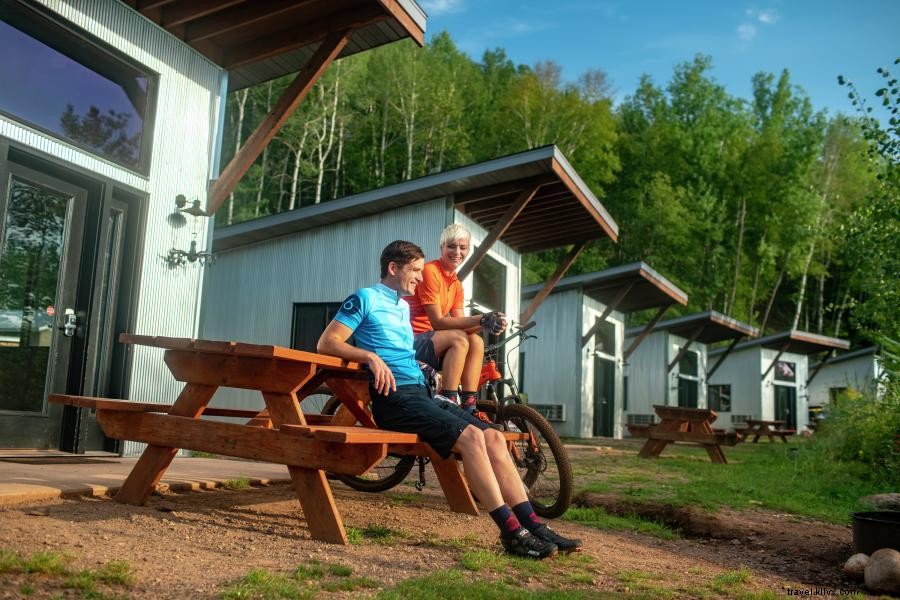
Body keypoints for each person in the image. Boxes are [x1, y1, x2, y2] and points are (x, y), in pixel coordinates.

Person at [317, 240, 581, 558]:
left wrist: (424, 367)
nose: (419, 277)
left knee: (495, 438)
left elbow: (403, 351)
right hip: (394, 400)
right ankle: (512, 534)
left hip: (422, 393)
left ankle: (534, 524)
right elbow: (327, 343)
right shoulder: (364, 298)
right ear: (393, 268)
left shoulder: (401, 308)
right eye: (414, 271)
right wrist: (369, 357)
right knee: (471, 439)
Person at [404, 224, 506, 416]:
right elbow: (438, 322)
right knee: (458, 338)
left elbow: (463, 324)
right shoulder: (430, 271)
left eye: (463, 247)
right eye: (451, 246)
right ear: (441, 247)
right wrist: (481, 318)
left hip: (434, 343)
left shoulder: (456, 285)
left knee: (475, 340)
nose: (457, 252)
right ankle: (449, 402)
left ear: (468, 250)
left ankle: (469, 405)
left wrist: (489, 324)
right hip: (411, 340)